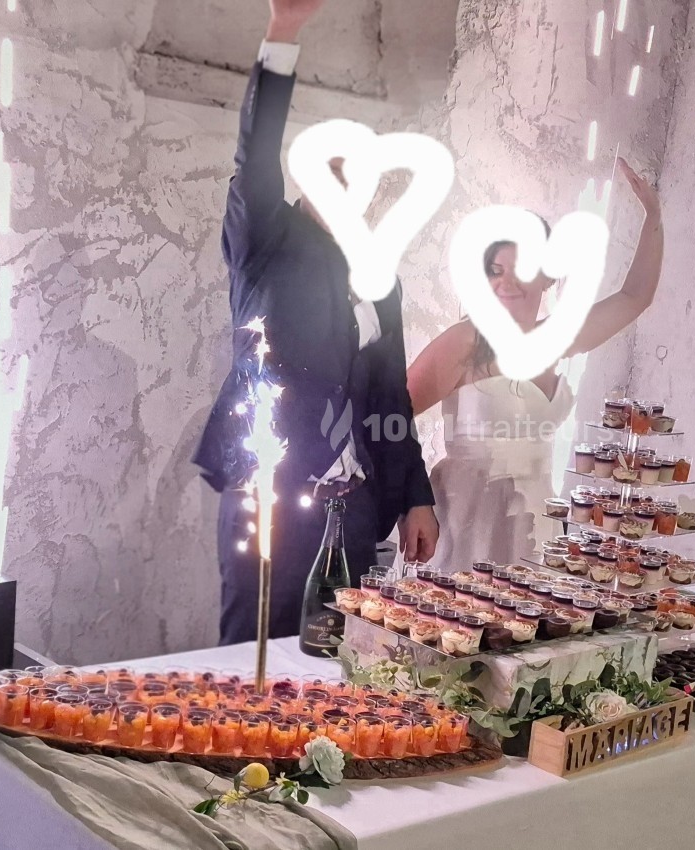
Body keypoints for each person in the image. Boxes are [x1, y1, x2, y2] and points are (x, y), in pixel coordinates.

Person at [193, 0, 438, 645]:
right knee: (253, 657)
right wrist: (283, 36)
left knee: (337, 659)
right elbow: (256, 156)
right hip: (268, 493)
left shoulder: (380, 278)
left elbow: (392, 395)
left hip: (354, 508)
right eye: (334, 172)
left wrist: (417, 495)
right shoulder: (266, 240)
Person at [406, 158, 662, 570]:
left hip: (536, 520)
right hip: (464, 521)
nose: (506, 283)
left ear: (547, 277)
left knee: (533, 629)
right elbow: (390, 413)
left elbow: (635, 297)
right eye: (494, 271)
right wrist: (412, 502)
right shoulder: (465, 341)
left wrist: (654, 215)